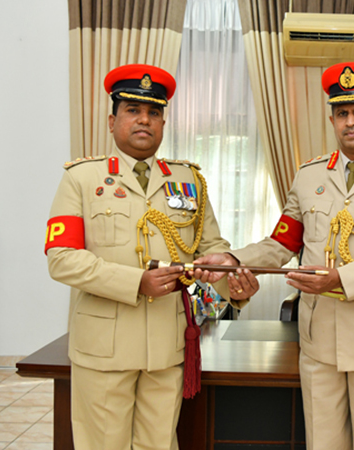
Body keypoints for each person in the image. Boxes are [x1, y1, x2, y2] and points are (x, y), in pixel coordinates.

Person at [197, 61, 354, 449]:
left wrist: (342, 279)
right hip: (318, 334)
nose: (350, 121)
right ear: (331, 120)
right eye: (342, 113)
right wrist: (235, 260)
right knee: (322, 443)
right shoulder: (309, 175)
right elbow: (282, 243)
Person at [45, 63, 258, 450]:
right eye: (133, 110)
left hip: (166, 344)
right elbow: (62, 258)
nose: (144, 119)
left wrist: (234, 285)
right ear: (112, 121)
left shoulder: (188, 181)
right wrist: (136, 282)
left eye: (154, 112)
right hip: (103, 346)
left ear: (163, 122)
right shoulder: (82, 179)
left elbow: (210, 251)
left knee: (160, 445)